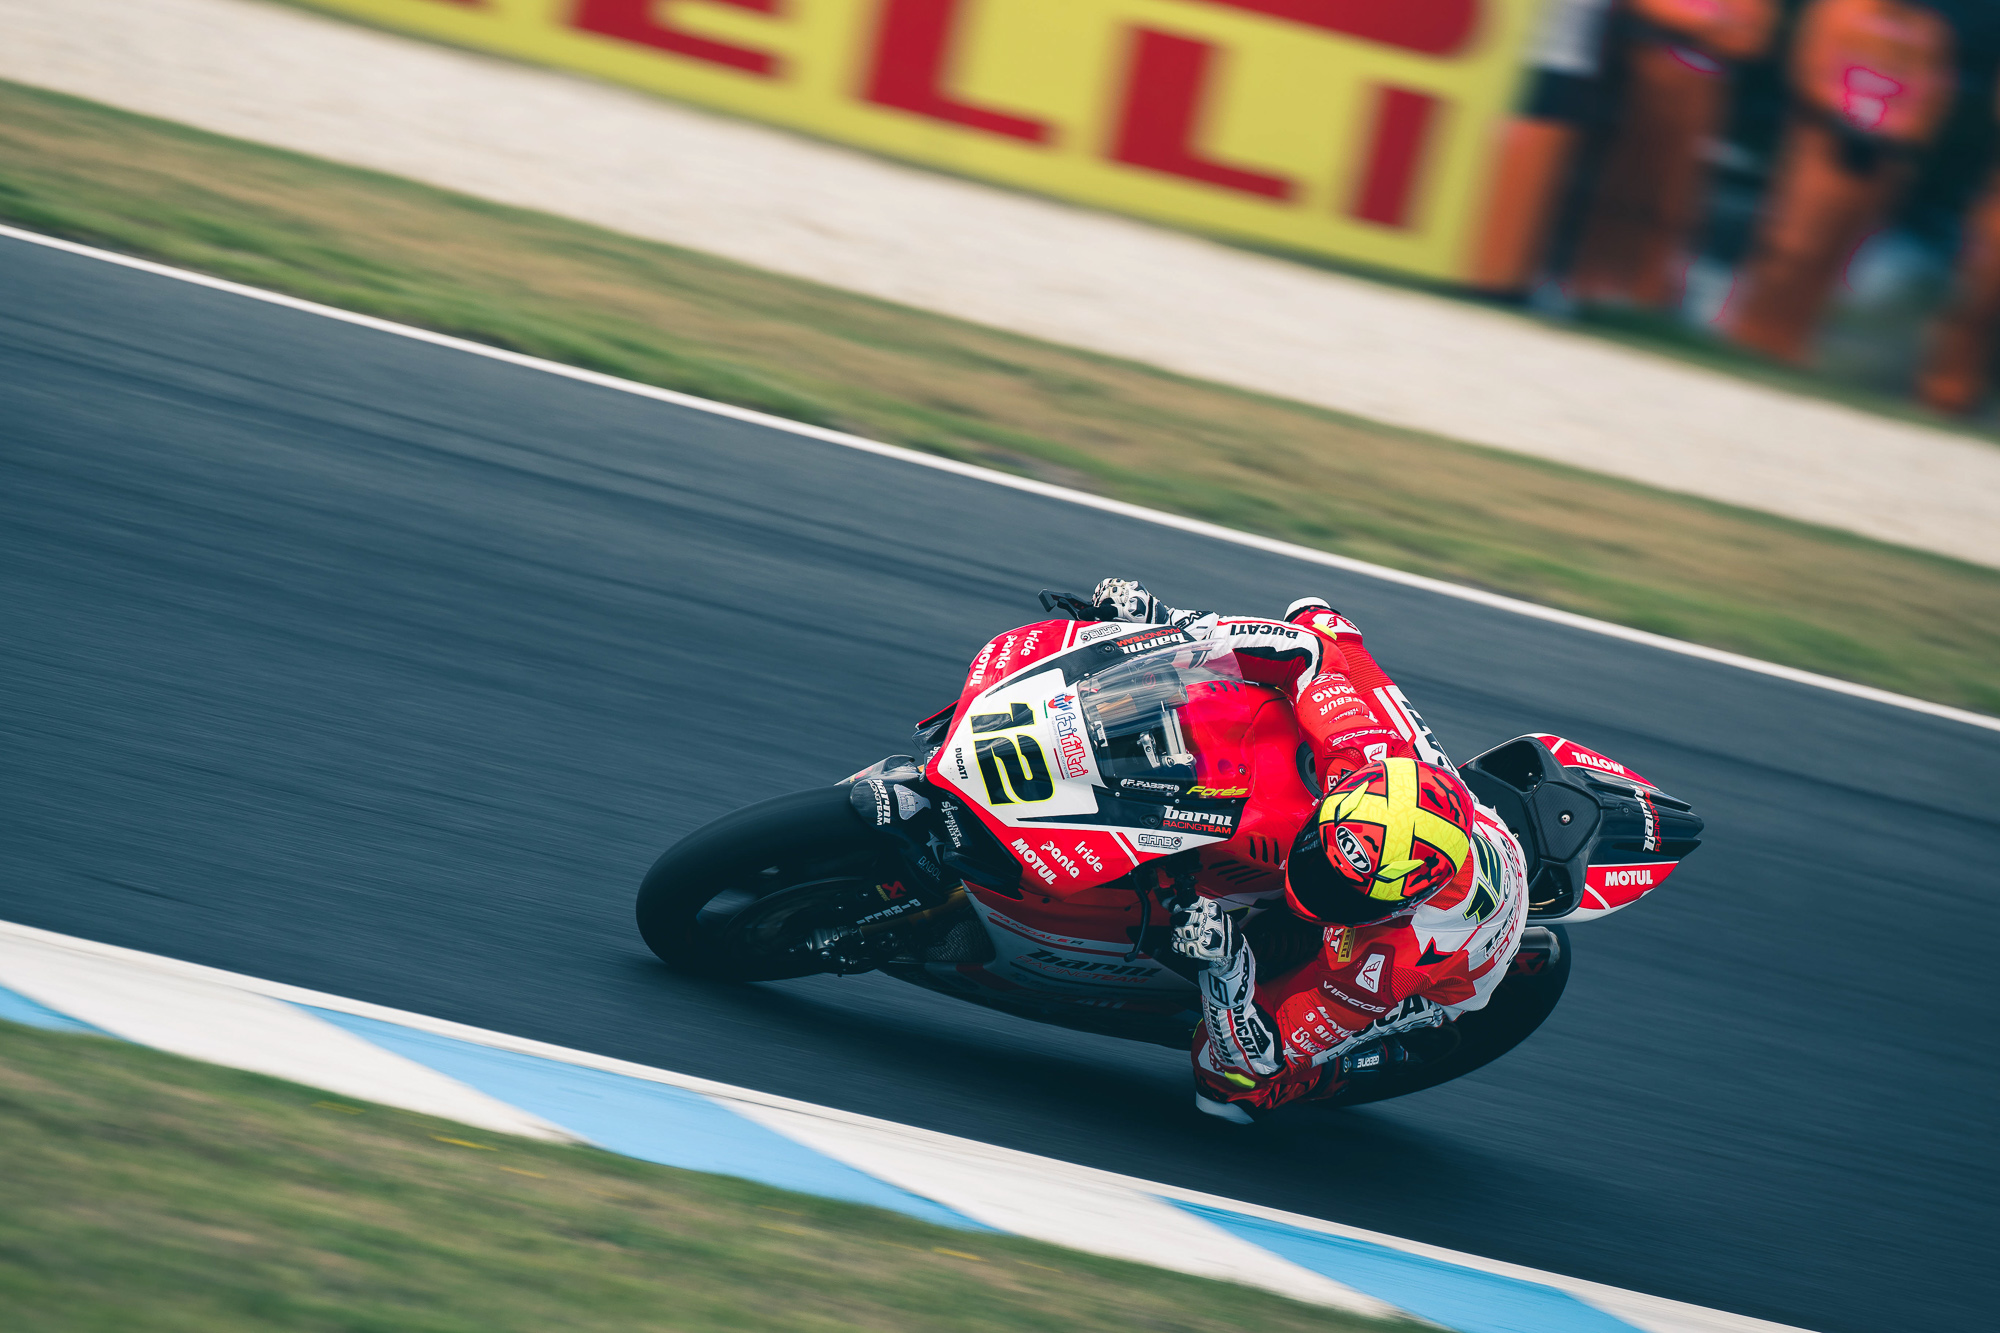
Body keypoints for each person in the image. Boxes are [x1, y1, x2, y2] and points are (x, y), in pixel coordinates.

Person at [1085, 579, 1530, 1124]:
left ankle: (1337, 1071)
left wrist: (1226, 965)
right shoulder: (1365, 757)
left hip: (1453, 971)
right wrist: (1165, 624)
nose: (1314, 884)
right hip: (1442, 813)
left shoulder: (1394, 961)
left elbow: (1262, 1053)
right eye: (1324, 862)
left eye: (1341, 891)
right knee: (1320, 623)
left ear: (1392, 908)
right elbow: (1304, 655)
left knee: (1228, 1084)